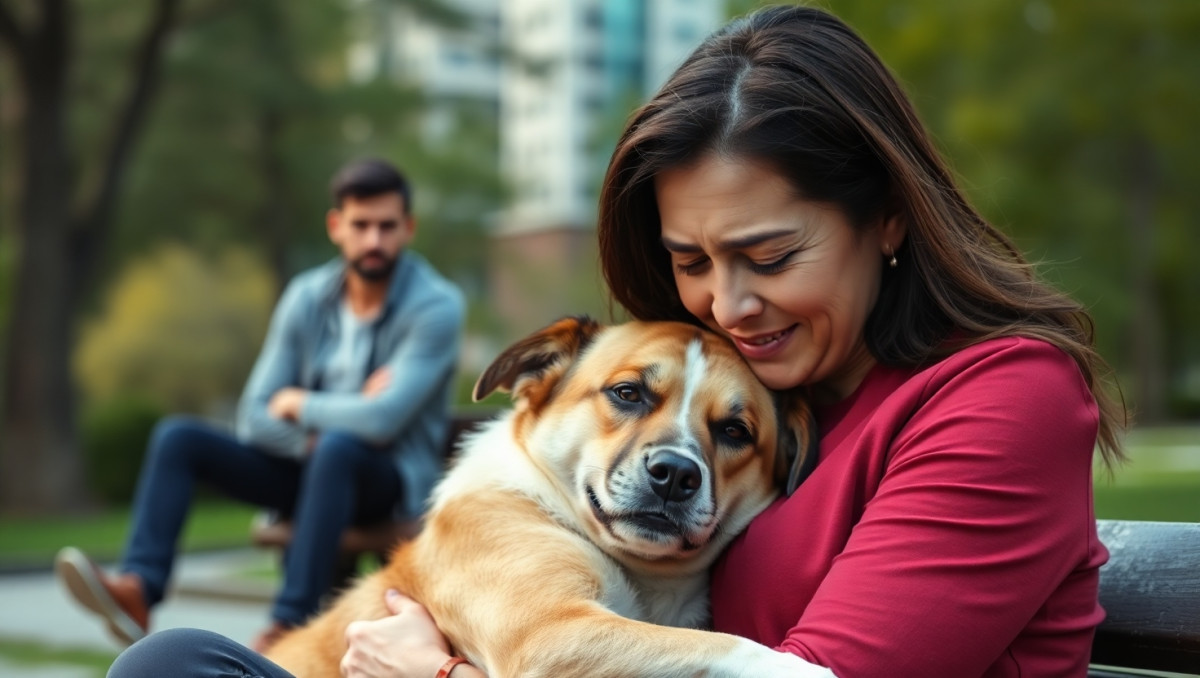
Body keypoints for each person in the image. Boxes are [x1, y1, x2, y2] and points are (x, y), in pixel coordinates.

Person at [106, 6, 1126, 678]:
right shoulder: (775, 393)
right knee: (178, 664)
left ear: (888, 218)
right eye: (692, 261)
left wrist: (446, 672)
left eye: (770, 256)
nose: (728, 306)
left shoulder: (1002, 398)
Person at [56, 157, 466, 654]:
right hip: (309, 467)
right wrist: (345, 409)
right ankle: (138, 589)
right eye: (361, 225)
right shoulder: (306, 297)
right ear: (337, 227)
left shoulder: (437, 306)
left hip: (388, 482)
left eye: (386, 226)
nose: (373, 240)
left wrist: (299, 403)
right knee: (179, 439)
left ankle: (285, 626)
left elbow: (382, 423)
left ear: (408, 228)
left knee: (338, 448)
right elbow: (253, 415)